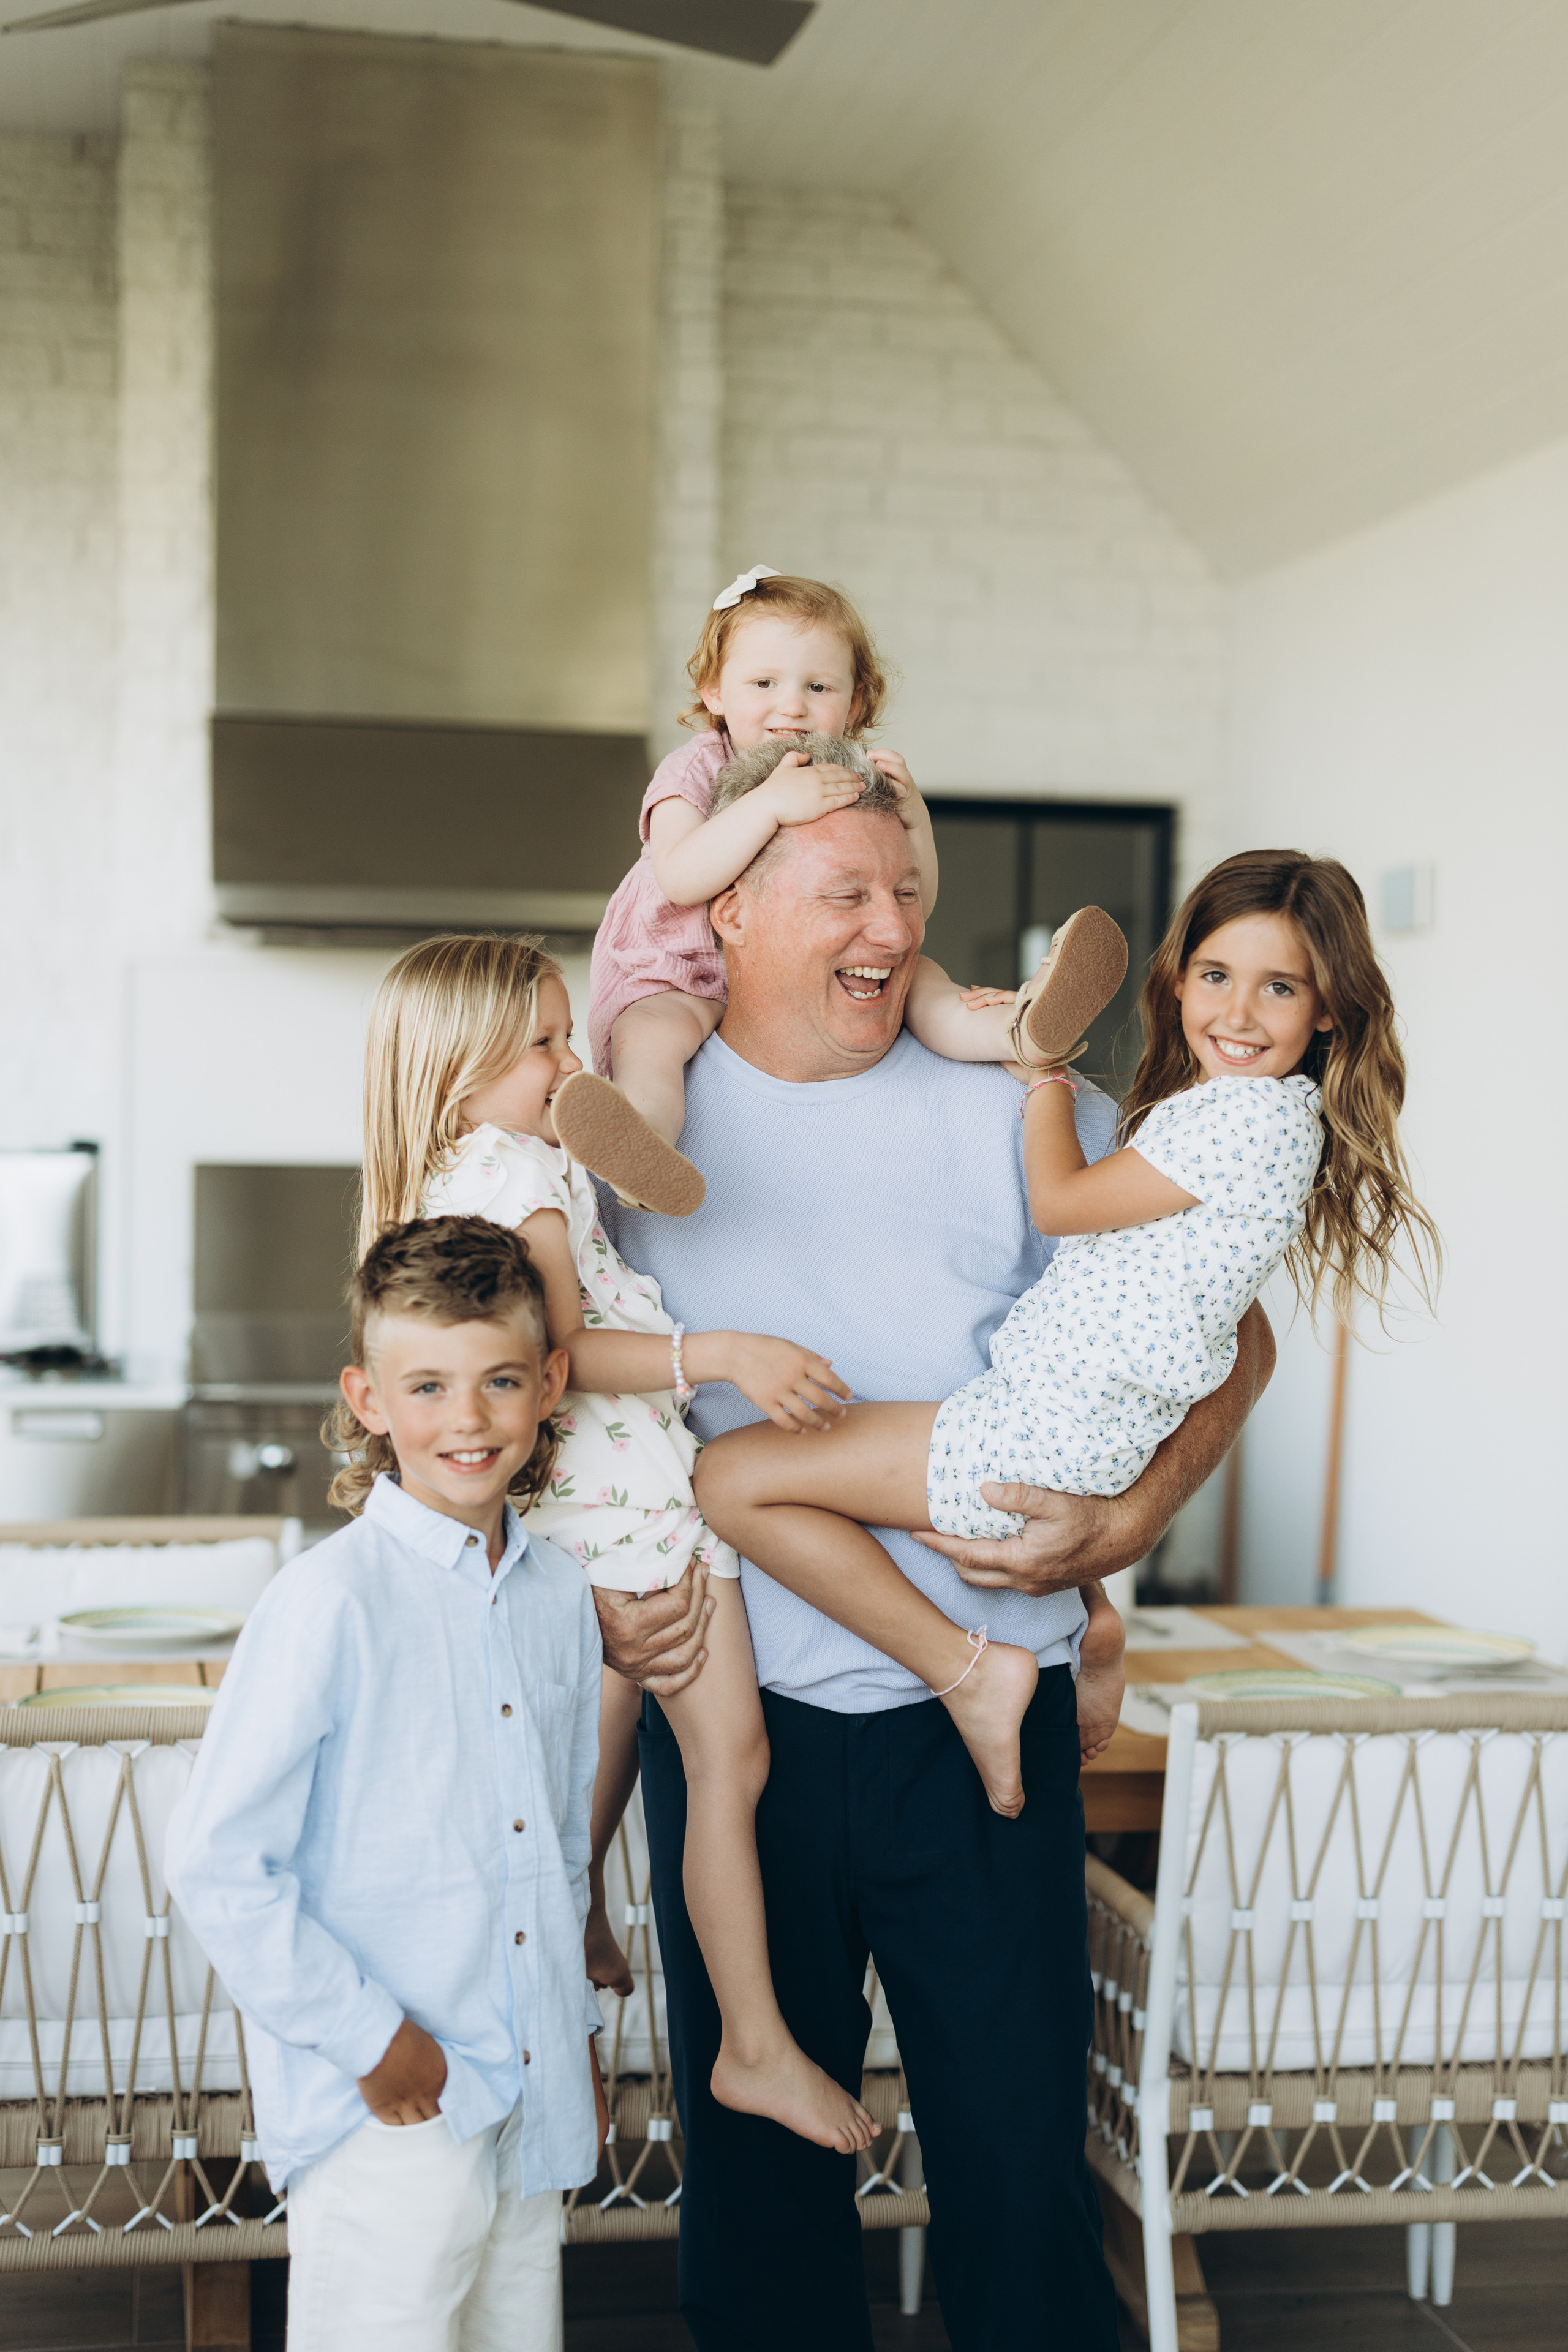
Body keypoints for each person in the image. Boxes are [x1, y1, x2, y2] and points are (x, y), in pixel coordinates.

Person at [592, 775, 1279, 2352]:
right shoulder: (638, 1132)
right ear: (730, 909)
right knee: (760, 2194)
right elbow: (526, 1368)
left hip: (990, 1724)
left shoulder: (1018, 1101)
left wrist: (1128, 1525)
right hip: (733, 1724)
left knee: (1018, 2170)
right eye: (844, 891)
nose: (892, 928)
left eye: (906, 887)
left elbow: (1229, 1332)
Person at [695, 848, 1439, 1817]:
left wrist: (1041, 1074)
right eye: (1216, 977)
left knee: (730, 1478)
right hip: (1053, 1428)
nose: (1241, 1014)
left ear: (1329, 1008)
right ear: (1177, 985)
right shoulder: (1256, 1117)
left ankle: (969, 1673)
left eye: (1281, 987)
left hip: (1030, 1434)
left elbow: (1058, 1203)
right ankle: (1086, 1630)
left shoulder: (1233, 1122)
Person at [361, 932, 879, 2157]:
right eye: (541, 1042)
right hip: (620, 1488)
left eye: (567, 1032)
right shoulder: (515, 1174)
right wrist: (722, 1352)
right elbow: (562, 1352)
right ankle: (747, 2044)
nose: (567, 1059)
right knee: (729, 1760)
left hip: (601, 1494)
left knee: (617, 1731)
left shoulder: (477, 1164)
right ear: (458, 1067)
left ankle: (590, 1924)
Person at [165, 1216, 607, 2352]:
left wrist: (567, 2044)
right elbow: (220, 1864)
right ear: (368, 1399)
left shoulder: (560, 1596)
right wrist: (373, 2041)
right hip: (387, 2104)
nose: (467, 1421)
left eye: (500, 1381)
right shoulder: (328, 1602)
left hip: (521, 2099)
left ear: (550, 1382)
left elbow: (558, 1848)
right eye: (428, 1387)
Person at [547, 567, 1120, 1214]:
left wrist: (916, 817)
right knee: (651, 1043)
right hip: (674, 968)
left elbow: (915, 901)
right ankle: (645, 1148)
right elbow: (680, 877)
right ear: (713, 691)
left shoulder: (851, 775)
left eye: (817, 686)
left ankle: (1023, 1033)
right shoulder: (694, 768)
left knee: (920, 973)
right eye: (763, 683)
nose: (791, 705)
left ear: (853, 705)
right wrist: (768, 805)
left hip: (781, 972)